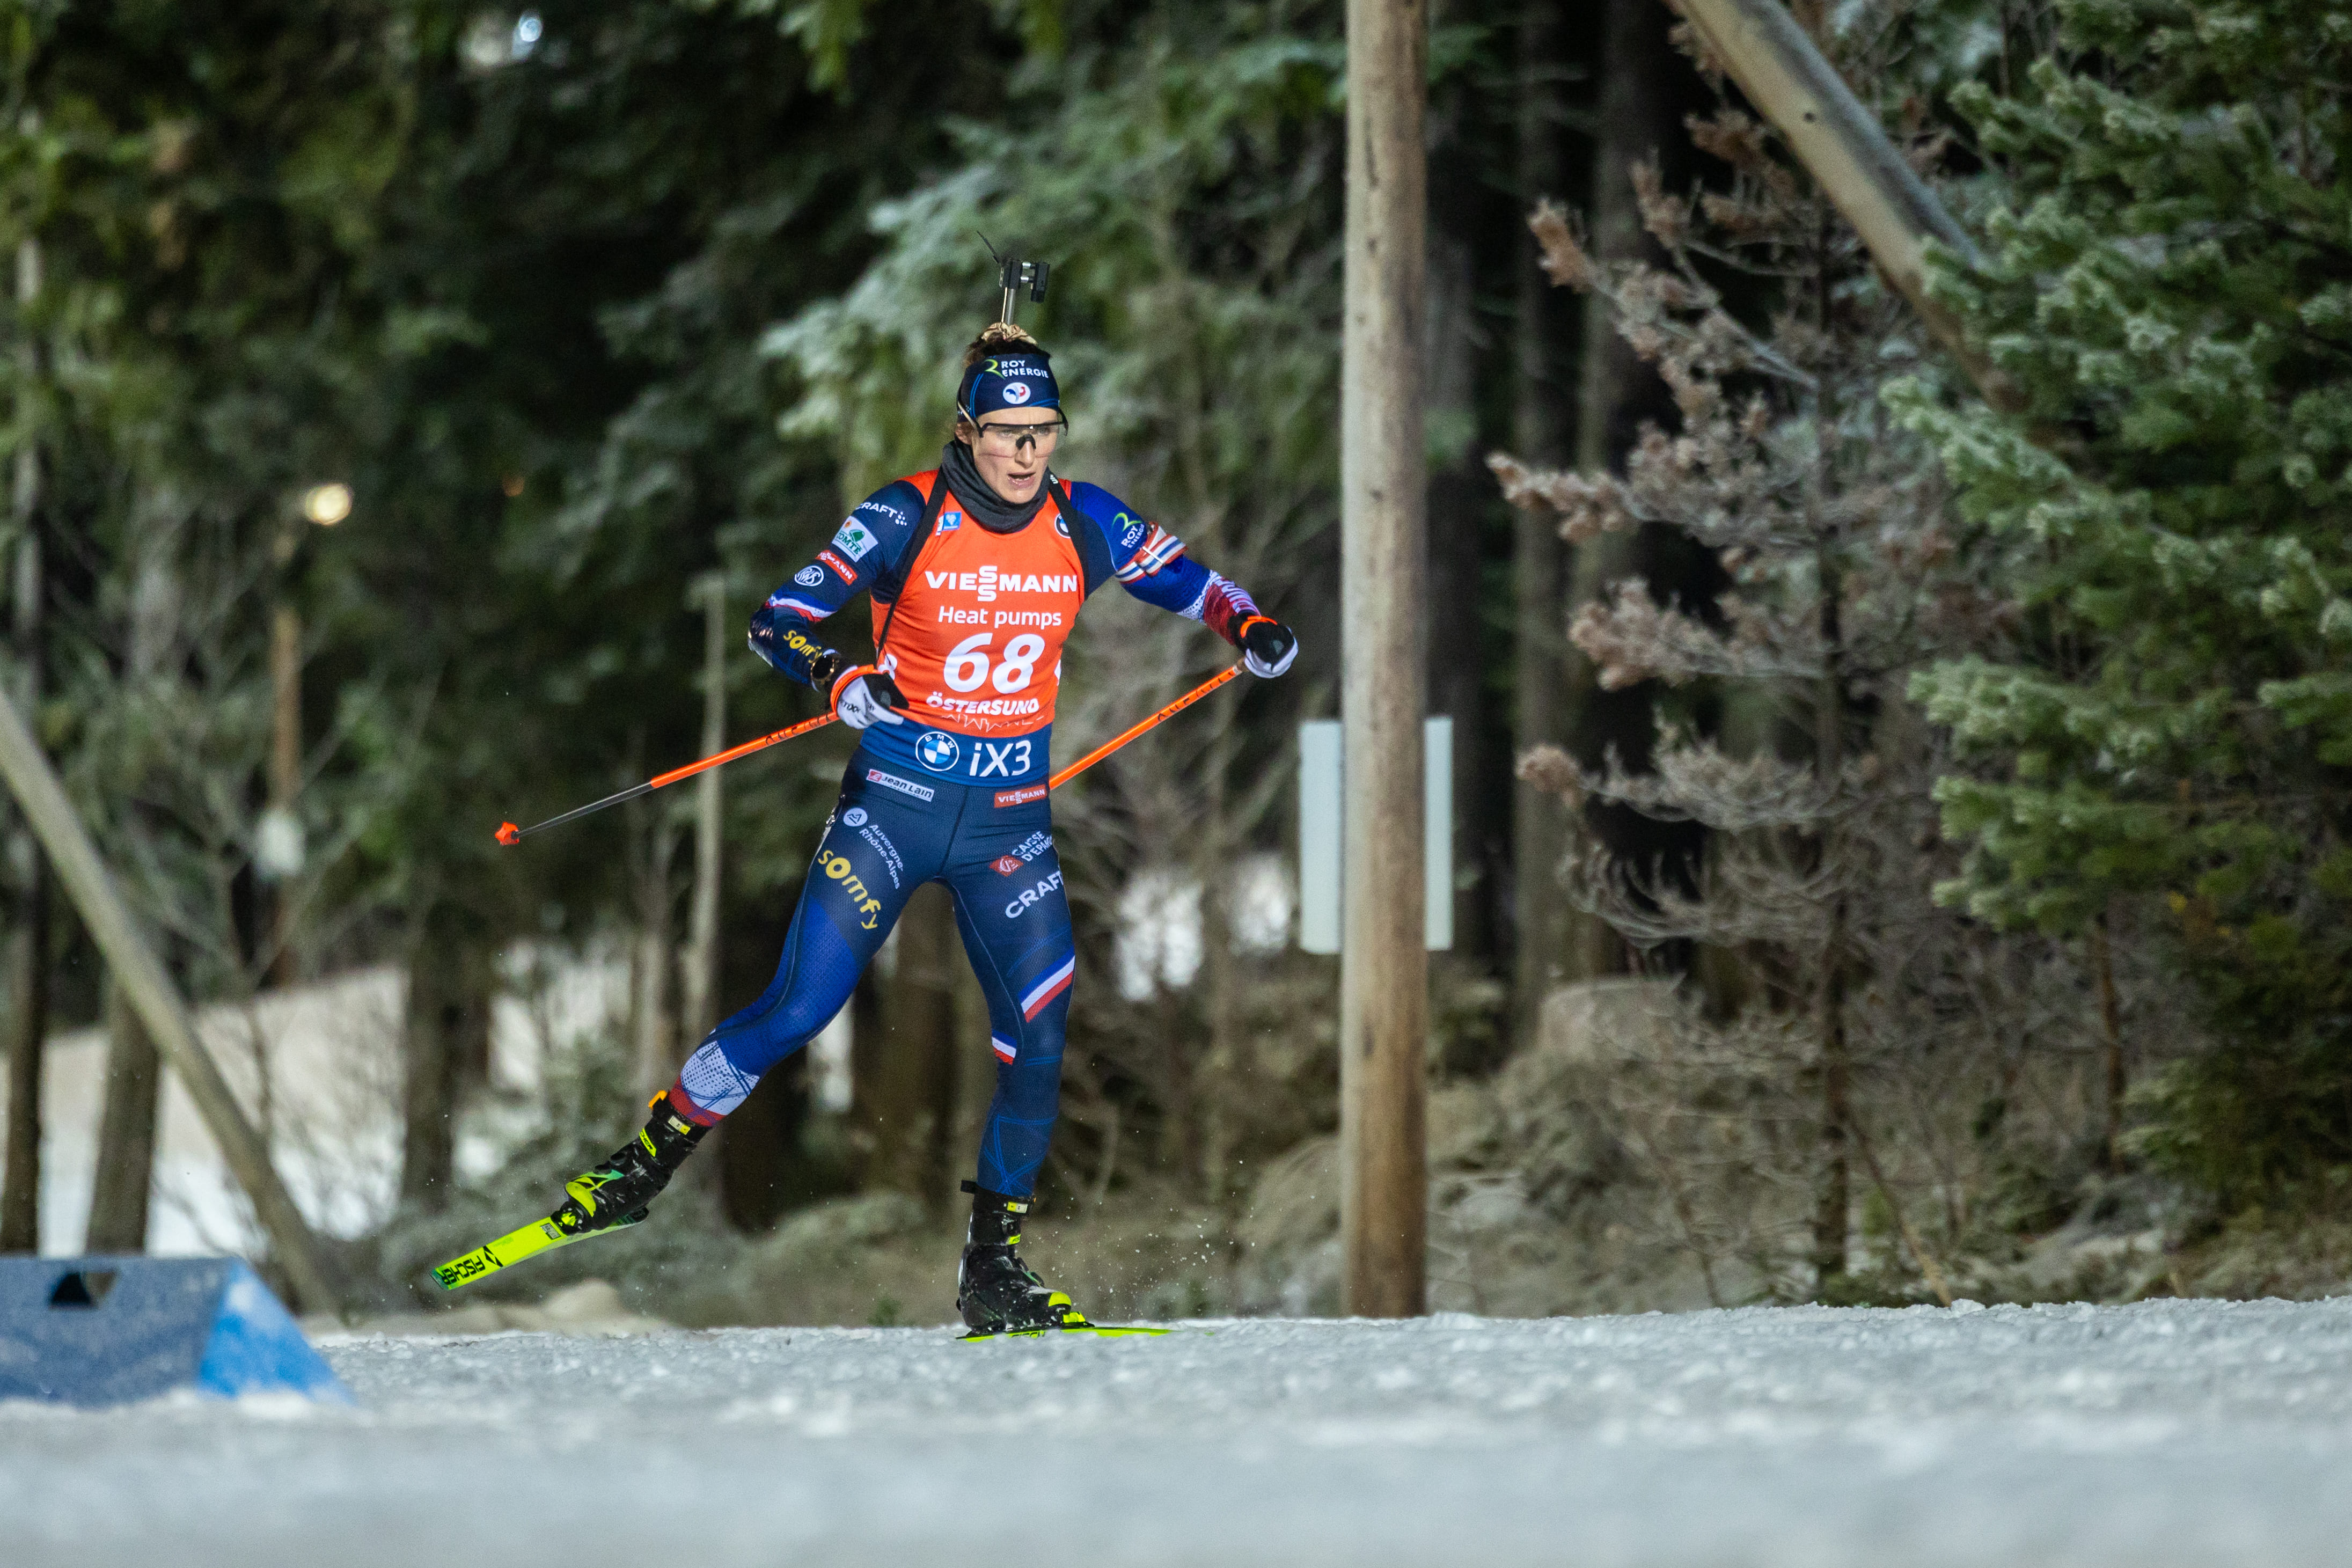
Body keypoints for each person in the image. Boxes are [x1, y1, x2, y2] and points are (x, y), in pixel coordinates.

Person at [544, 322, 1298, 1333]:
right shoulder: (905, 514)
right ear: (967, 431)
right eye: (1007, 431)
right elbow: (779, 618)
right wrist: (836, 674)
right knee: (798, 1009)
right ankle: (643, 1163)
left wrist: (1249, 624)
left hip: (1008, 828)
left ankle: (994, 1267)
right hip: (893, 811)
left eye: (1043, 430)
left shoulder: (1085, 520)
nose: (1027, 451)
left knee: (1039, 1034)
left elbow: (1194, 582)